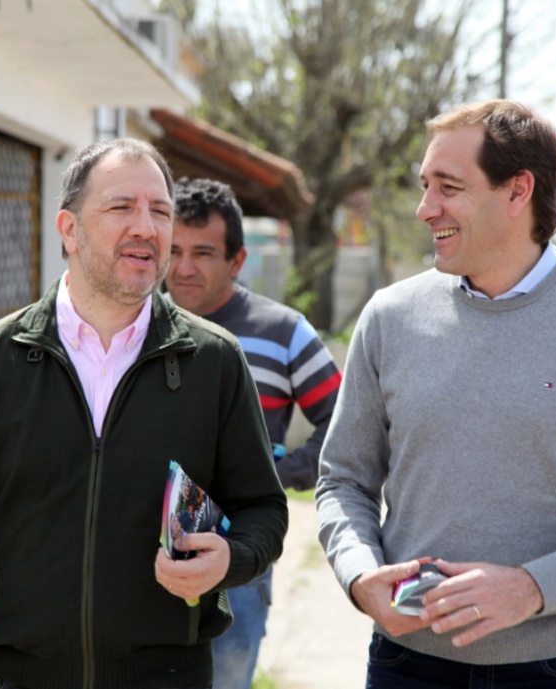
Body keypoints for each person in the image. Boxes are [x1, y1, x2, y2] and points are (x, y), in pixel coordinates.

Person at [315, 100, 556, 689]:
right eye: (424, 186)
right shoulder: (389, 317)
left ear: (518, 190)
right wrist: (360, 574)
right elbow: (343, 480)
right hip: (404, 663)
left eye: (448, 187)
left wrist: (532, 588)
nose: (425, 208)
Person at [0, 139, 288, 689]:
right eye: (120, 207)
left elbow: (264, 509)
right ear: (69, 229)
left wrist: (231, 558)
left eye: (160, 211)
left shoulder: (215, 361)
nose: (146, 228)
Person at [165, 177, 342, 689]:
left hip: (238, 557)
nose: (183, 268)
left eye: (203, 253)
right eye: (173, 251)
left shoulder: (283, 331)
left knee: (226, 677)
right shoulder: (136, 323)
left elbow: (345, 422)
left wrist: (280, 473)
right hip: (144, 556)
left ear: (237, 261)